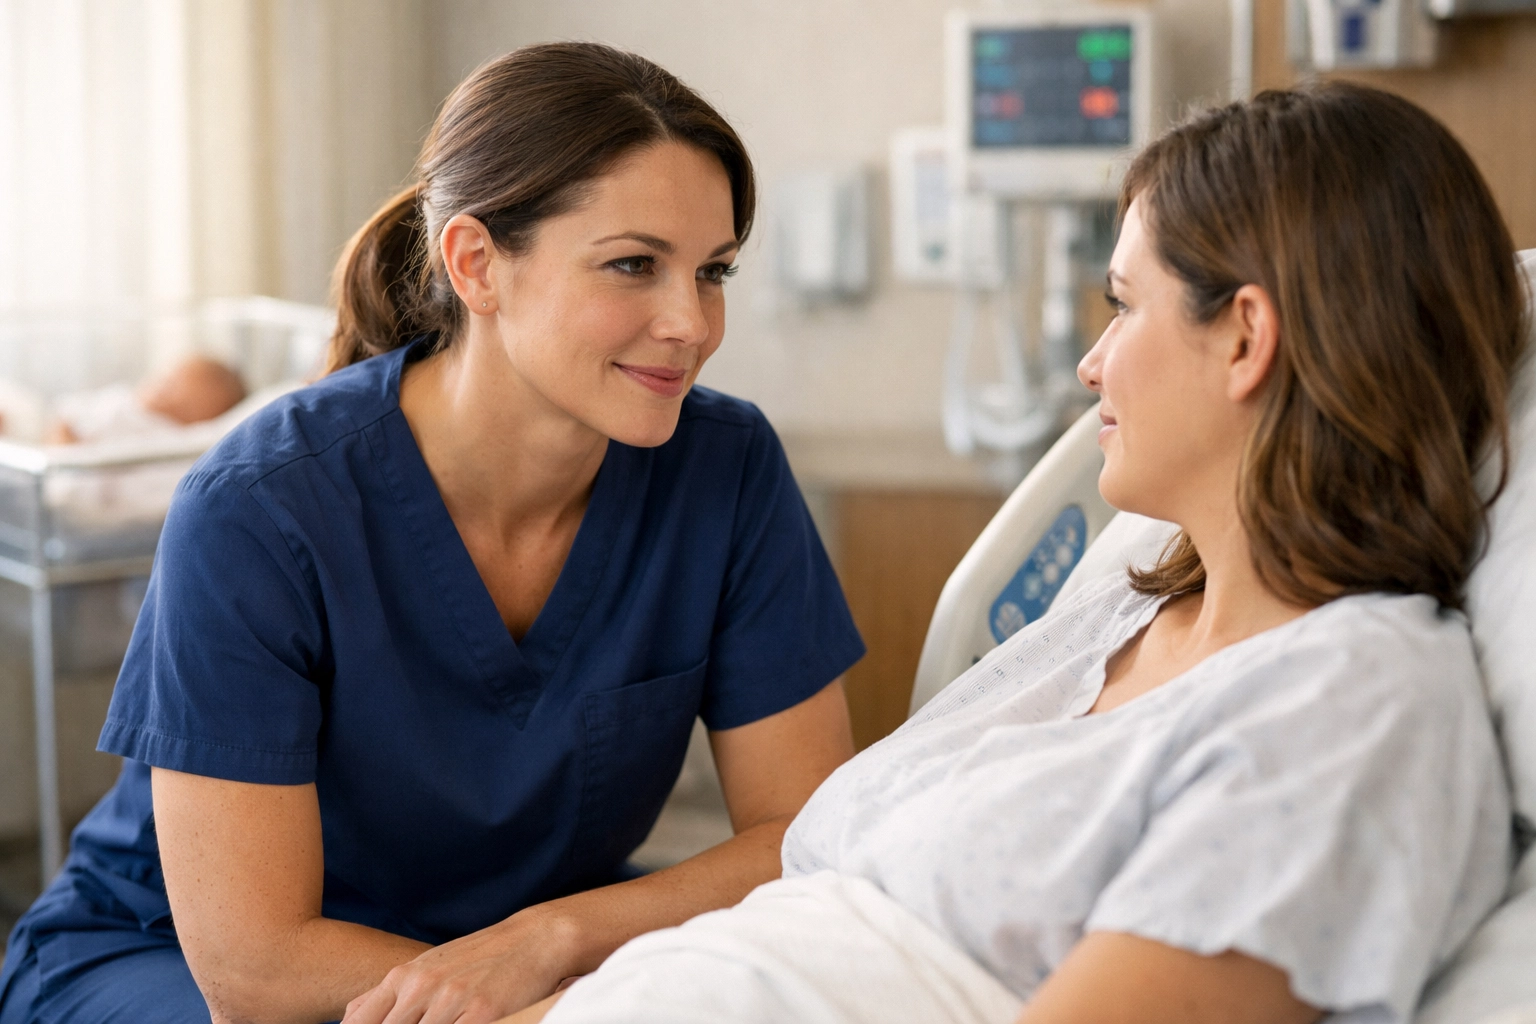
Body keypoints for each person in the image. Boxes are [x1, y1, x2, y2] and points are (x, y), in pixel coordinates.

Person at [495, 82, 1528, 1024]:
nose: (1090, 363)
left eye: (1123, 305)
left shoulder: (1354, 701)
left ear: (1246, 338)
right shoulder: (1119, 620)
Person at [0, 42, 864, 1024]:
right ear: (476, 264)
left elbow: (804, 834)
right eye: (634, 264)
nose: (691, 323)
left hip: (518, 956)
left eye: (712, 272)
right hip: (172, 965)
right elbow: (252, 966)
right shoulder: (261, 508)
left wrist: (550, 945)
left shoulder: (725, 469)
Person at [43, 355, 249, 444]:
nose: (166, 397)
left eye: (184, 408)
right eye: (168, 382)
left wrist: (69, 446)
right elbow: (72, 406)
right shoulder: (121, 396)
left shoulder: (158, 437)